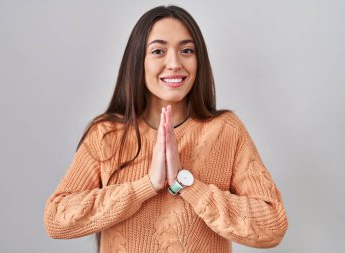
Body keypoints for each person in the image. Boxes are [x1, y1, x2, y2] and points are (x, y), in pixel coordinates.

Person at [44, 5, 288, 252]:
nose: (174, 63)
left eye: (186, 50)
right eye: (158, 51)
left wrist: (187, 184)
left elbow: (272, 226)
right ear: (138, 60)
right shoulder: (107, 134)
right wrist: (147, 185)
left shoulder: (226, 131)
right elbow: (56, 220)